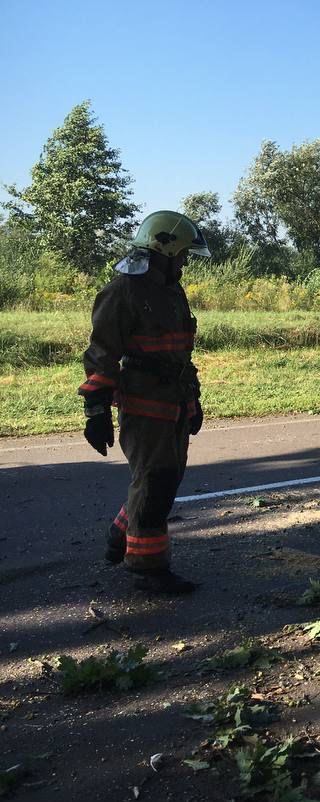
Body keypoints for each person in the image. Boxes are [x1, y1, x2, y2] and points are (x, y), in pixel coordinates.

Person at [79, 210, 210, 595]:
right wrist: (96, 411)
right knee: (155, 483)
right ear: (163, 250)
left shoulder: (171, 291)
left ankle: (121, 535)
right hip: (143, 404)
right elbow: (102, 355)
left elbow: (179, 353)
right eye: (182, 254)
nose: (184, 261)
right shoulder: (123, 291)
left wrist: (193, 400)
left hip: (175, 400)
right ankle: (147, 570)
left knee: (164, 480)